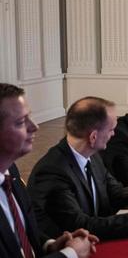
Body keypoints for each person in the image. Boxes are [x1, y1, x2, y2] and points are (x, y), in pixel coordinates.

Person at [28, 97, 128, 240]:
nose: (114, 133)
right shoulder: (53, 171)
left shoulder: (91, 154)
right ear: (93, 137)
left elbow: (115, 190)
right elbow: (81, 224)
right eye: (111, 129)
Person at [0, 83, 99, 257]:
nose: (35, 126)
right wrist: (70, 254)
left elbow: (18, 229)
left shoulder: (10, 172)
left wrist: (50, 245)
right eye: (21, 122)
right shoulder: (51, 167)